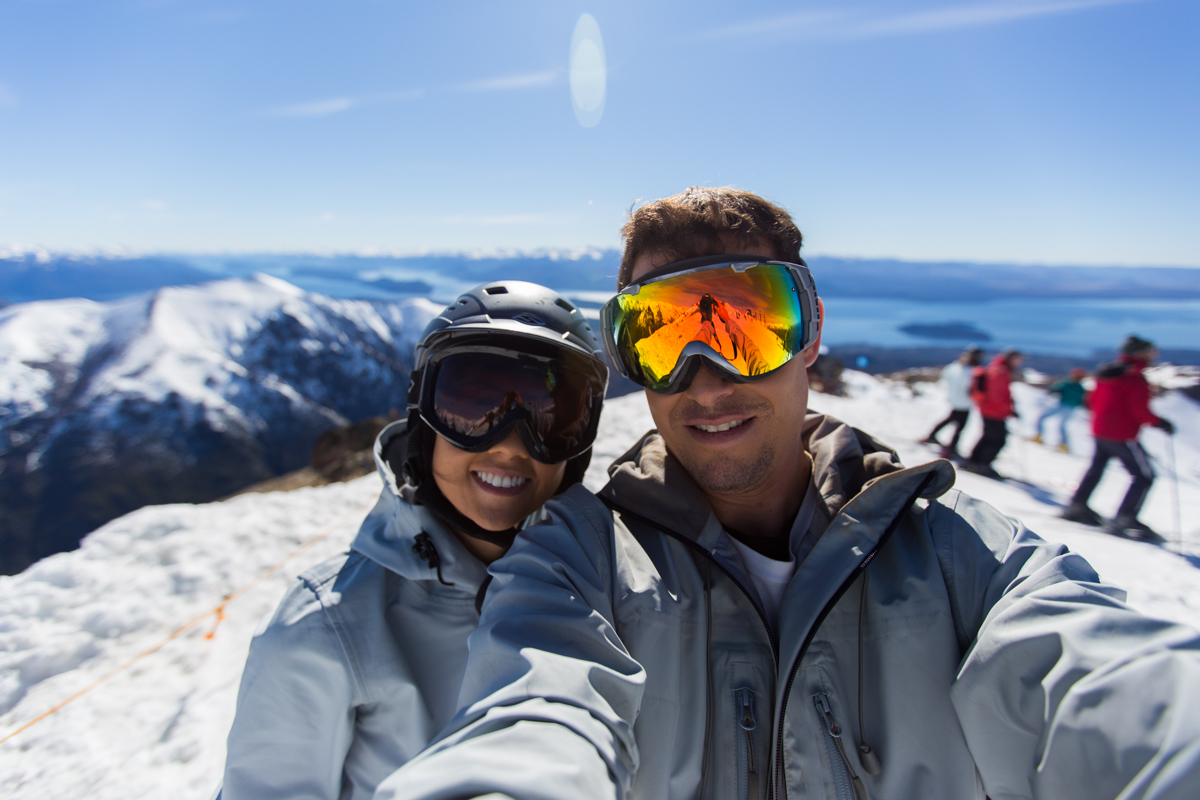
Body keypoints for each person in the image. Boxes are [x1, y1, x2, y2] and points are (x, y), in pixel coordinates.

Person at [375, 188, 1200, 800]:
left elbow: (1093, 671)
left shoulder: (960, 557)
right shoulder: (579, 558)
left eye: (746, 327)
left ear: (811, 337)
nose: (707, 381)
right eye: (660, 339)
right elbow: (533, 710)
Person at [218, 281, 609, 800]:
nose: (512, 445)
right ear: (424, 421)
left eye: (552, 418)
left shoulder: (605, 591)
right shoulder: (324, 627)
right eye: (474, 407)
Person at [1061, 335, 1175, 541]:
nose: (1152, 355)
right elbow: (1139, 410)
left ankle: (1077, 505)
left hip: (1100, 429)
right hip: (1122, 433)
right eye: (1149, 352)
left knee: (1096, 468)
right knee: (1144, 476)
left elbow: (1091, 400)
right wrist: (1159, 423)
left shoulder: (1107, 372)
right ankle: (1125, 518)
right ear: (1138, 353)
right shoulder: (1135, 378)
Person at [965, 347, 1023, 479]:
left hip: (988, 408)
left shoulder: (997, 367)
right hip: (994, 410)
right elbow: (998, 395)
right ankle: (983, 464)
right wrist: (1009, 410)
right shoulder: (1001, 371)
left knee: (988, 436)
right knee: (998, 439)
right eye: (1017, 359)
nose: (1019, 362)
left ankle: (973, 461)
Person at [922, 345, 982, 459]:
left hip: (954, 399)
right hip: (965, 402)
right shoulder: (972, 371)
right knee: (960, 426)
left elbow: (945, 376)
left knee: (951, 419)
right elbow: (973, 387)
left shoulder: (954, 366)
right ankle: (951, 447)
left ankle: (933, 435)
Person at [1032, 367, 1088, 452]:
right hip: (1069, 407)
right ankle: (1063, 444)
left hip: (1064, 406)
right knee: (1061, 425)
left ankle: (1040, 437)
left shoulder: (1069, 384)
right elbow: (1082, 399)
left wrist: (1054, 390)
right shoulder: (1078, 387)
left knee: (1046, 419)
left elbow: (1057, 388)